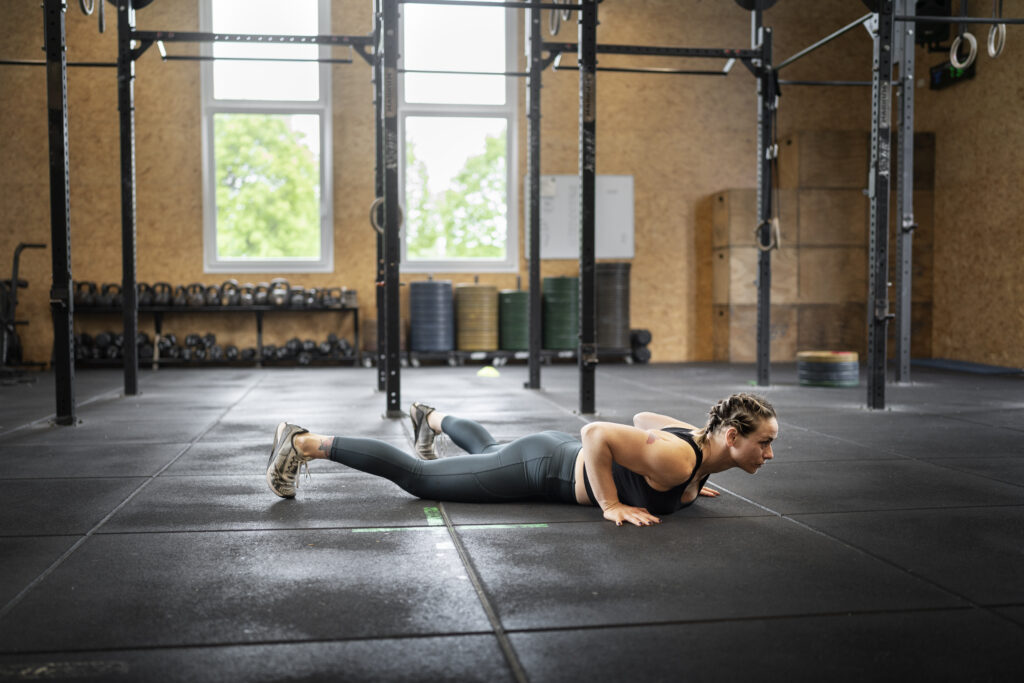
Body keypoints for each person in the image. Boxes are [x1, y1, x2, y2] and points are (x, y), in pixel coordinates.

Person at [265, 392, 778, 527]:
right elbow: (597, 432)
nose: (769, 454)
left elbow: (645, 418)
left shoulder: (696, 452)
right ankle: (304, 441)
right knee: (421, 479)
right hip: (544, 468)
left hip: (547, 453)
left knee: (490, 452)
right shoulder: (676, 458)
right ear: (732, 435)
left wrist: (693, 478)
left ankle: (431, 417)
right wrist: (610, 503)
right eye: (763, 443)